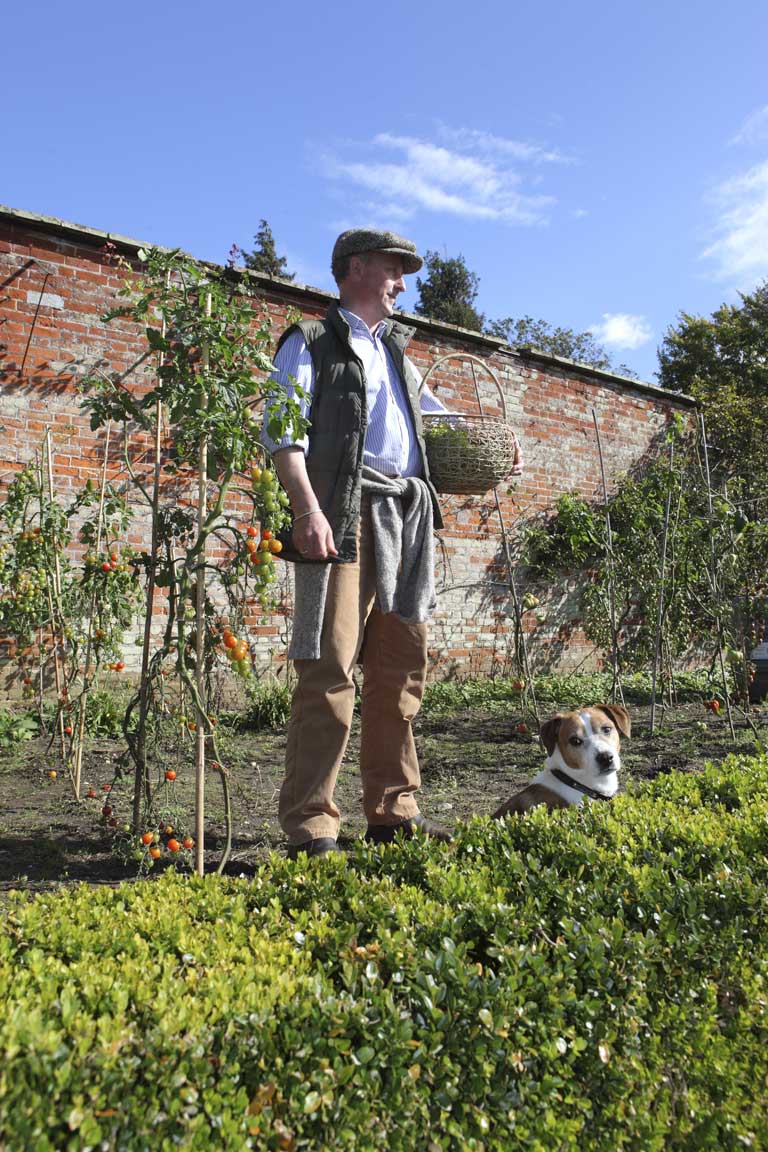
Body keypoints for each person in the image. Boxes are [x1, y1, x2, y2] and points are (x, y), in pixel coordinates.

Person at [261, 227, 454, 859]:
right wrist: (307, 511)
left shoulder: (400, 353)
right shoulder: (311, 343)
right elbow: (284, 438)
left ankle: (392, 810)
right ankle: (312, 823)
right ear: (356, 267)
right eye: (395, 268)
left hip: (404, 518)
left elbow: (440, 424)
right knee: (330, 668)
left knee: (400, 670)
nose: (403, 282)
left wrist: (486, 440)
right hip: (341, 518)